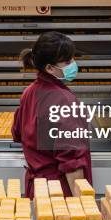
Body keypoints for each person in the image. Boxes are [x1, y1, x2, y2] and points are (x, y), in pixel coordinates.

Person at [12, 31, 92, 198]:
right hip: (59, 194)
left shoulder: (29, 92)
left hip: (37, 189)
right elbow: (72, 163)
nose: (73, 64)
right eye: (67, 61)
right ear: (49, 68)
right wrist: (82, 206)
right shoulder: (63, 101)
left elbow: (18, 133)